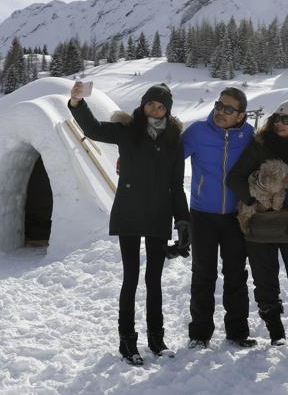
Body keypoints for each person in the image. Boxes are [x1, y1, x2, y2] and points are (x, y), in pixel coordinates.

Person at [68, 82, 189, 366]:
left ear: (168, 111)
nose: (155, 110)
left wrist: (183, 219)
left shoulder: (174, 140)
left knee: (154, 280)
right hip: (130, 213)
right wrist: (77, 103)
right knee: (131, 278)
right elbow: (94, 129)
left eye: (161, 106)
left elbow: (176, 184)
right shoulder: (127, 130)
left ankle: (157, 339)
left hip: (159, 214)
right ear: (143, 104)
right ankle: (127, 341)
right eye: (151, 104)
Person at [227, 100, 288, 346]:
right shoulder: (260, 145)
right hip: (261, 220)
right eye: (277, 119)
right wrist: (253, 198)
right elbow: (235, 177)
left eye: (287, 120)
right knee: (264, 277)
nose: (280, 124)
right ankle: (275, 332)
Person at [181, 87, 257, 349]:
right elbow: (166, 157)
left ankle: (237, 332)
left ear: (240, 115)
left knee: (236, 274)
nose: (220, 112)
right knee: (203, 274)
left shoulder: (248, 135)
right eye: (218, 105)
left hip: (235, 217)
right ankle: (199, 334)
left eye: (228, 109)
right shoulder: (198, 132)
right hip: (202, 215)